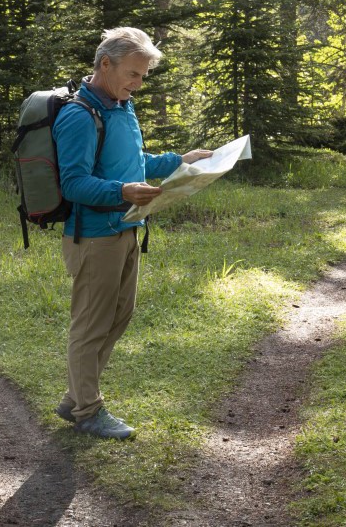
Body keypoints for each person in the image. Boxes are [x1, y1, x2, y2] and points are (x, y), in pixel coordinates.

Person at [52, 27, 212, 440]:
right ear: (105, 64)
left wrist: (180, 160)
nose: (138, 84)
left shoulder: (121, 107)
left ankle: (75, 396)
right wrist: (121, 191)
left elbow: (131, 159)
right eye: (133, 74)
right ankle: (88, 410)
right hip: (93, 237)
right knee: (90, 325)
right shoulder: (78, 115)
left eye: (143, 76)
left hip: (125, 228)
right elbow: (73, 183)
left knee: (117, 319)